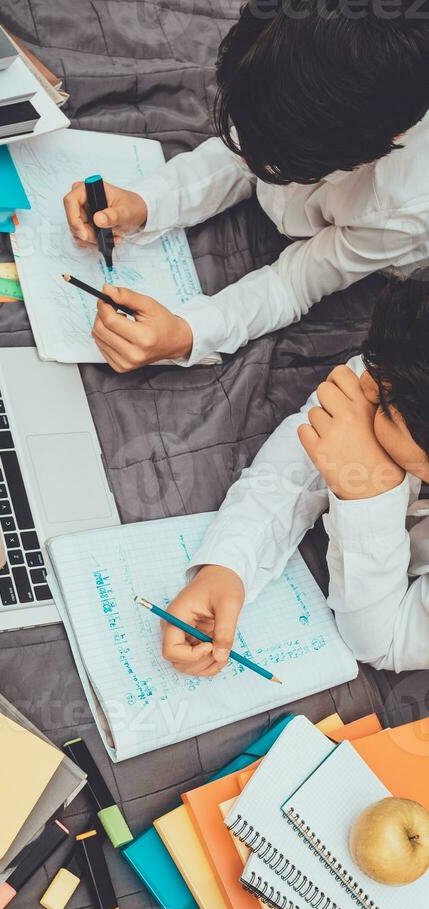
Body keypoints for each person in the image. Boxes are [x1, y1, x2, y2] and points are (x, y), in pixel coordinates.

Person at [63, 0, 429, 373]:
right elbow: (241, 155)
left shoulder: (408, 204)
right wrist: (145, 202)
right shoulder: (294, 61)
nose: (259, 164)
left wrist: (189, 333)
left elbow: (296, 283)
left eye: (291, 168)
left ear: (393, 136)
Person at [158, 277, 429, 676]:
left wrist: (367, 494)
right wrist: (229, 563)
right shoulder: (404, 361)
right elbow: (306, 447)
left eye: (385, 404)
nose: (363, 387)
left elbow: (384, 642)